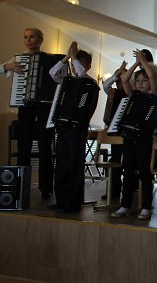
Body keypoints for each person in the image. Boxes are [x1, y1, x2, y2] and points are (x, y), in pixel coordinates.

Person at [0, 28, 56, 200]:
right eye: (26, 37)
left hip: (44, 106)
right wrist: (7, 66)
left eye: (32, 37)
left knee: (45, 146)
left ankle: (46, 188)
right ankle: (21, 187)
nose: (28, 40)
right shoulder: (19, 59)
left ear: (40, 40)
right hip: (25, 106)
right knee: (23, 146)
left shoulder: (49, 59)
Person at [111, 49, 157, 220]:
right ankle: (125, 205)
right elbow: (124, 79)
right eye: (138, 80)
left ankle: (146, 206)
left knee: (145, 173)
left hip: (144, 139)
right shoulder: (133, 94)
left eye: (144, 80)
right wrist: (136, 64)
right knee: (128, 172)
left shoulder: (155, 94)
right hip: (129, 138)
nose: (140, 83)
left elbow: (152, 76)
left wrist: (144, 62)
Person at [47, 42, 99, 212]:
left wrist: (74, 57)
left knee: (74, 165)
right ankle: (61, 200)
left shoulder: (90, 83)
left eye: (80, 62)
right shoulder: (67, 81)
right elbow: (52, 73)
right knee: (61, 164)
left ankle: (73, 202)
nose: (76, 66)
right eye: (75, 62)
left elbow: (81, 73)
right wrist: (67, 57)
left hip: (78, 129)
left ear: (88, 66)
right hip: (63, 127)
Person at [101, 61, 128, 201]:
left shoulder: (131, 92)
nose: (119, 83)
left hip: (128, 133)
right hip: (115, 132)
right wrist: (117, 73)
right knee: (115, 160)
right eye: (118, 81)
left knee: (128, 161)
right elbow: (106, 85)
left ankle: (130, 190)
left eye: (123, 80)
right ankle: (114, 190)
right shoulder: (113, 92)